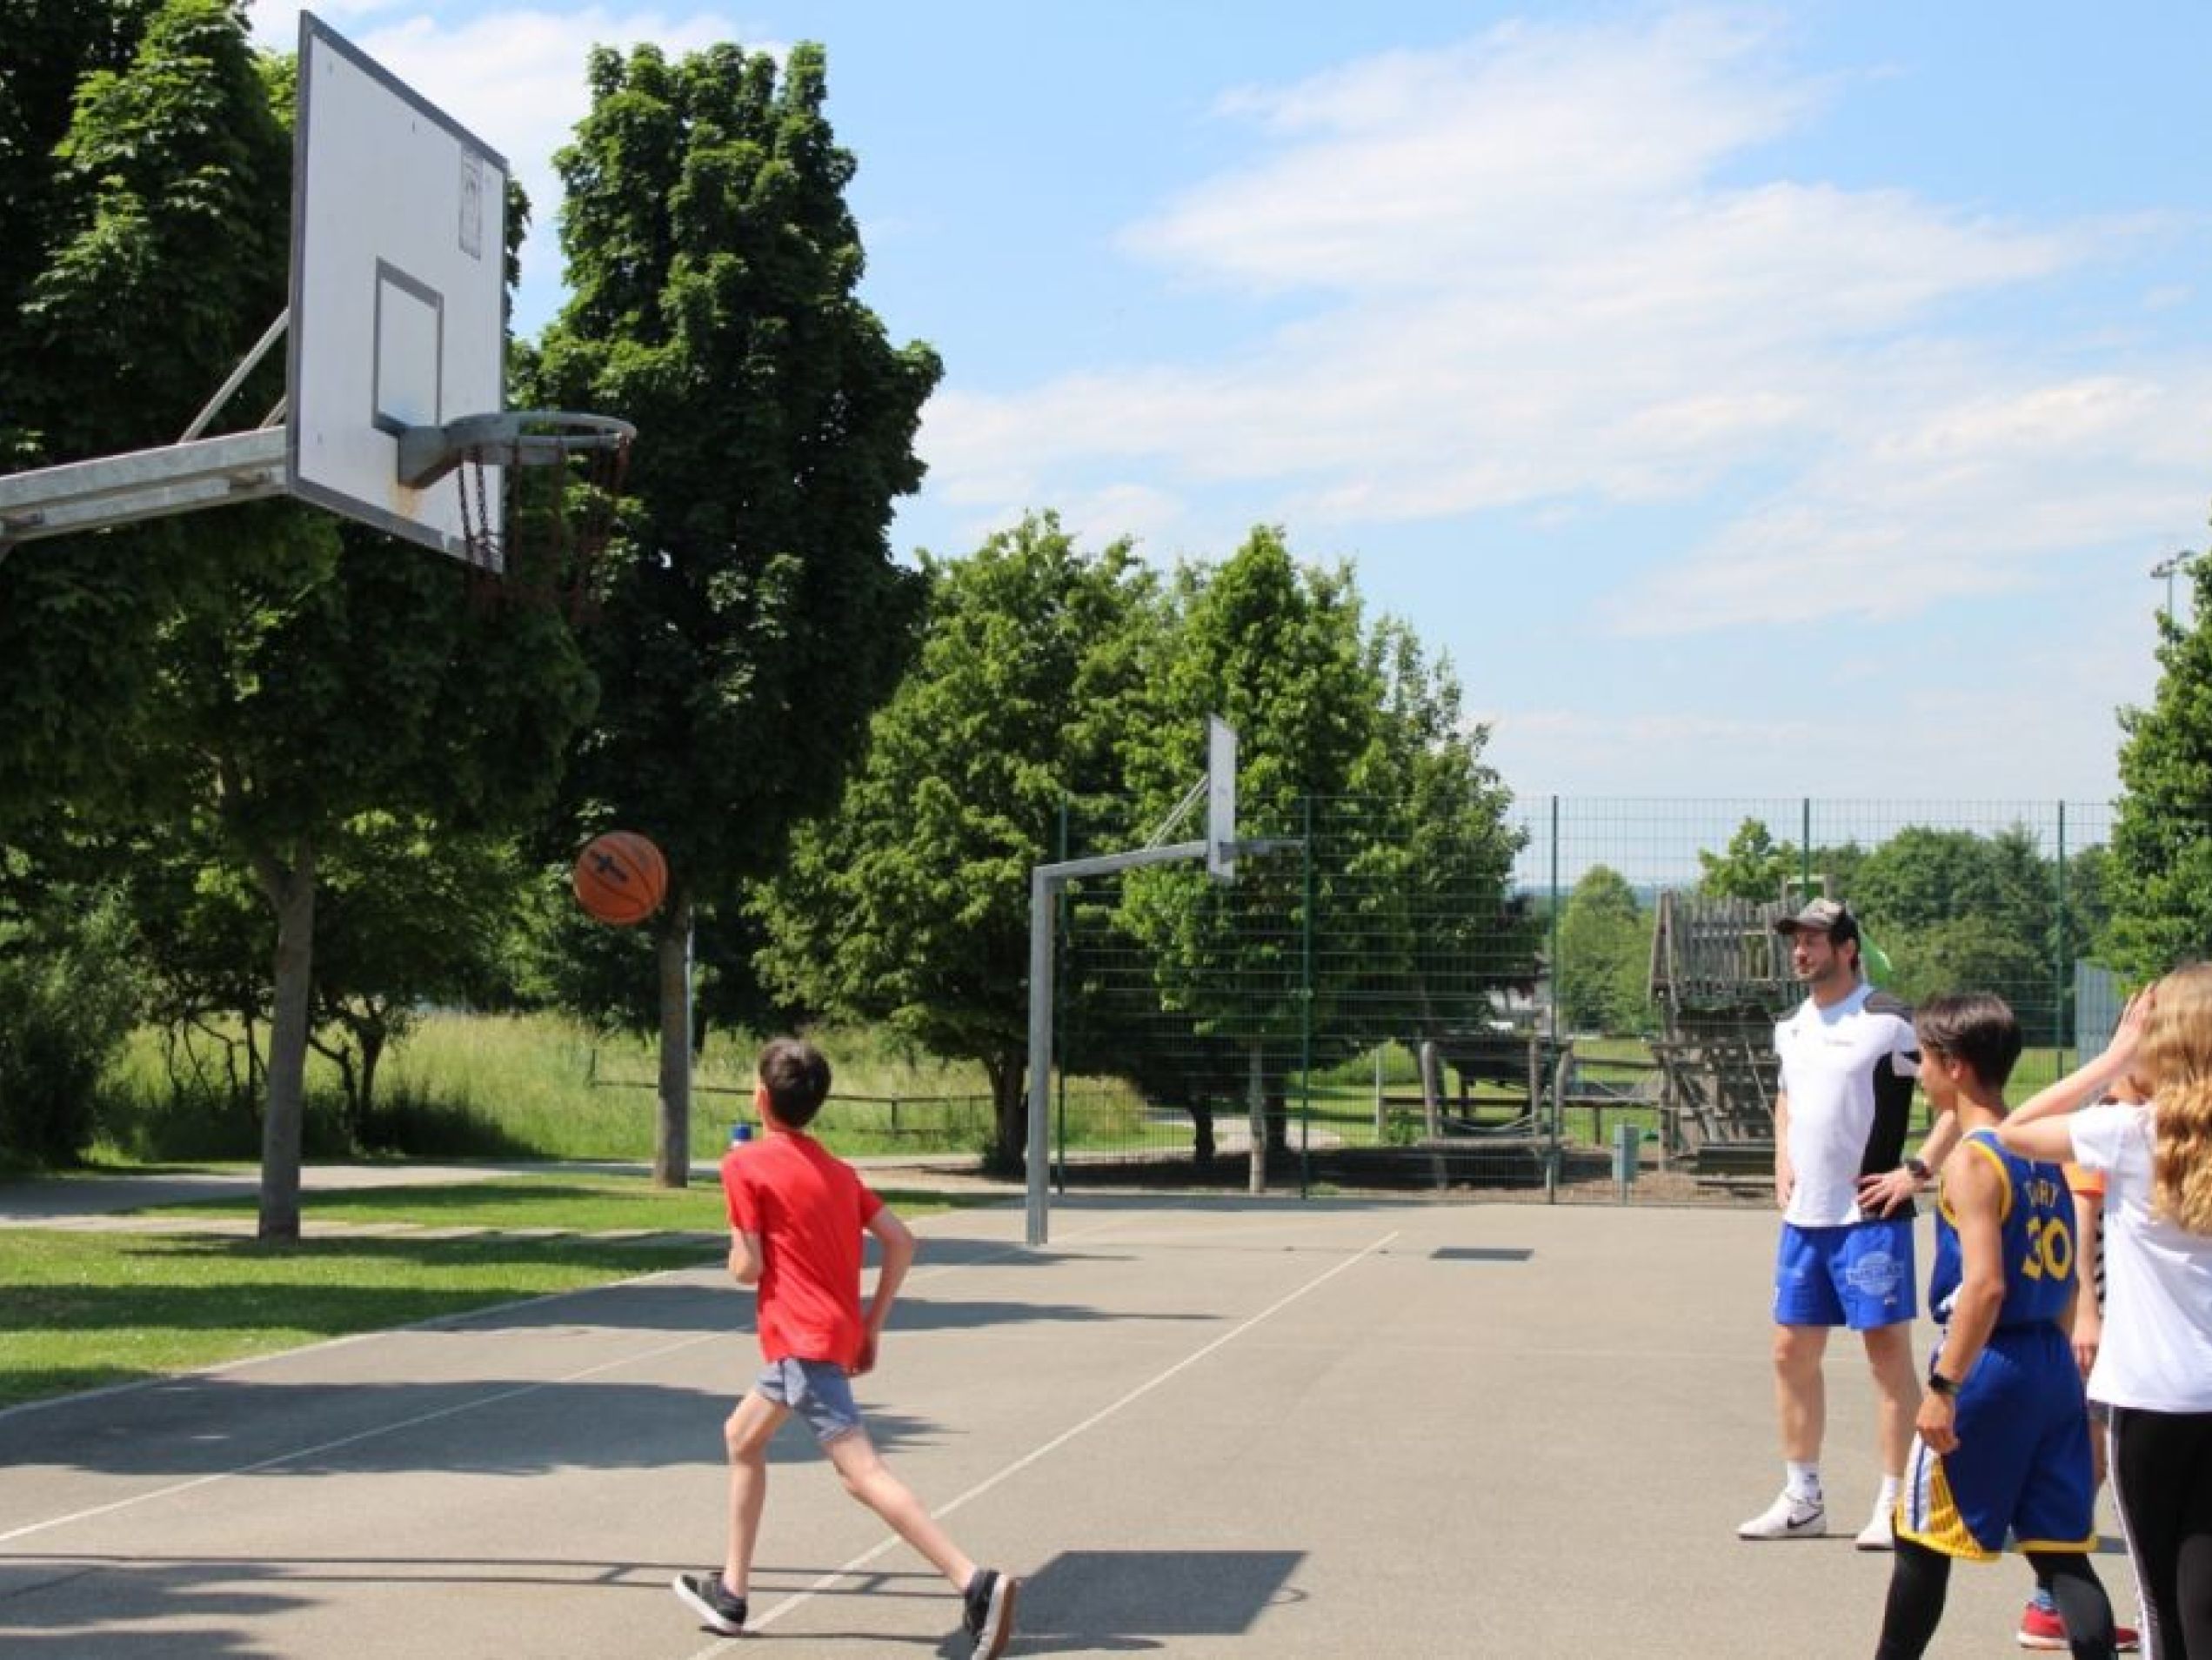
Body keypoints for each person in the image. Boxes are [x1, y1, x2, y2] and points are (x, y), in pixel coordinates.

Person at [672, 1036, 1019, 1657]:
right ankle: (731, 1593)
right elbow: (902, 1241)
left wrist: (736, 1244)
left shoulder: (744, 1165)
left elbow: (747, 1268)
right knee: (742, 1437)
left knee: (862, 1475)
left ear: (759, 1097)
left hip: (800, 1343)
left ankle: (973, 1582)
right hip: (817, 1340)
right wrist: (871, 1325)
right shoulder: (837, 1172)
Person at [1874, 993, 2117, 1659]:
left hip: (1989, 1363)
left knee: (1919, 1539)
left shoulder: (1973, 1159)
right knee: (2060, 1554)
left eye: (1924, 1060)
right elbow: (2066, 1279)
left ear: (1953, 1066)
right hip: (2048, 1363)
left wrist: (1944, 1386)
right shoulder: (2043, 1154)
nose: (1919, 1073)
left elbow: (1983, 1286)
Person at [1998, 972, 2212, 1660]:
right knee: (2204, 1597)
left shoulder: (2127, 1134)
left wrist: (2112, 1058)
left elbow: (2011, 1131)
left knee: (2158, 1602)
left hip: (2150, 1397)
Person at [1740, 899, 1959, 1549]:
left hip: (1869, 1216)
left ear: (1847, 949)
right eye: (1795, 940)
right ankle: (1802, 1498)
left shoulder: (1890, 1021)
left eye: (1813, 940)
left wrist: (1917, 1170)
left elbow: (1956, 1096)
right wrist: (1781, 1155)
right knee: (1789, 1353)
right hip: (1804, 1220)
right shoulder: (1789, 1026)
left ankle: (1895, 1502)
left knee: (1884, 1356)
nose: (1800, 951)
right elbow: (1787, 1096)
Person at [2019, 1070, 2147, 1653]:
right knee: (2092, 1461)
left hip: (2115, 1321)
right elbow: (2082, 1220)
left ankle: (2051, 1600)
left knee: (2090, 1461)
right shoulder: (2111, 1124)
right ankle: (2051, 1600)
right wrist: (2088, 1313)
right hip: (2102, 1323)